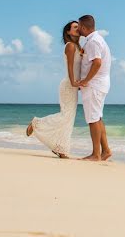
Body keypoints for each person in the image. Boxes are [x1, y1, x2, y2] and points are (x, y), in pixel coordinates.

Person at [25, 21, 82, 158]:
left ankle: (61, 148)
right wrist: (74, 81)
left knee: (69, 117)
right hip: (68, 84)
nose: (78, 29)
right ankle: (37, 123)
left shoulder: (78, 47)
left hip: (73, 84)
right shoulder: (70, 46)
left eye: (78, 27)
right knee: (65, 115)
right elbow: (69, 67)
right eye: (75, 27)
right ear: (68, 32)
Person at [75, 14, 112, 161]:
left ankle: (96, 154)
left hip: (95, 85)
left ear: (84, 27)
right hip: (98, 84)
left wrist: (85, 81)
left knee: (93, 119)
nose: (78, 29)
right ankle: (106, 151)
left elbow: (97, 62)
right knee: (97, 118)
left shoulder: (93, 42)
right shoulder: (95, 40)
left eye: (78, 26)